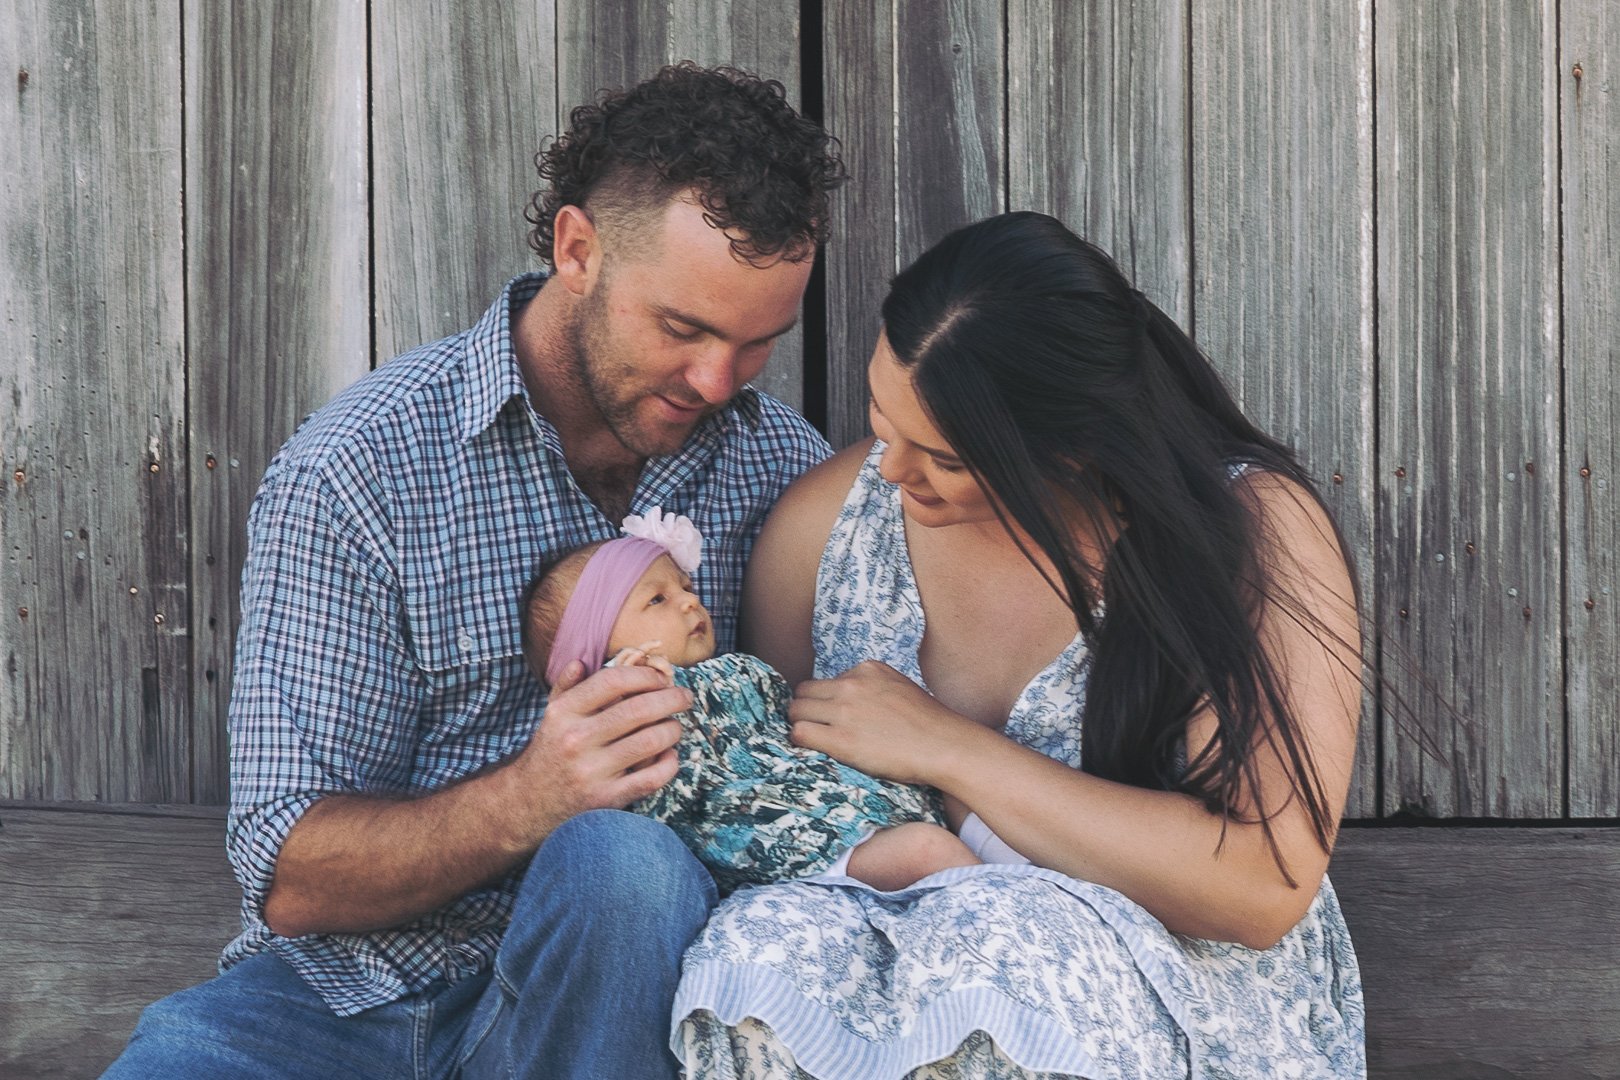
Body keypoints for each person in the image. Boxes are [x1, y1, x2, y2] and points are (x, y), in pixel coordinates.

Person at [103, 62, 844, 1080]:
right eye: (683, 328)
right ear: (576, 248)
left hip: (619, 1005)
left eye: (758, 344)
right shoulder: (361, 469)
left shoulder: (784, 476)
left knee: (624, 865)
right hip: (338, 1009)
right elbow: (288, 873)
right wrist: (534, 795)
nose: (717, 380)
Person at [673, 211, 1366, 1078]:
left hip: (1172, 997)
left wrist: (947, 750)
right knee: (760, 942)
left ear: (1072, 447)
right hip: (893, 982)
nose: (889, 471)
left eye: (944, 457)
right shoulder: (825, 530)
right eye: (882, 421)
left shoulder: (1249, 534)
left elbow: (1262, 884)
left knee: (1002, 940)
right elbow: (773, 810)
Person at [521, 509, 987, 893]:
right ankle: (994, 931)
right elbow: (652, 807)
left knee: (965, 803)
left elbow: (795, 726)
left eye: (685, 588)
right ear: (600, 647)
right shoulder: (632, 712)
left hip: (843, 797)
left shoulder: (739, 668)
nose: (688, 603)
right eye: (657, 600)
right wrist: (642, 697)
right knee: (928, 852)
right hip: (778, 835)